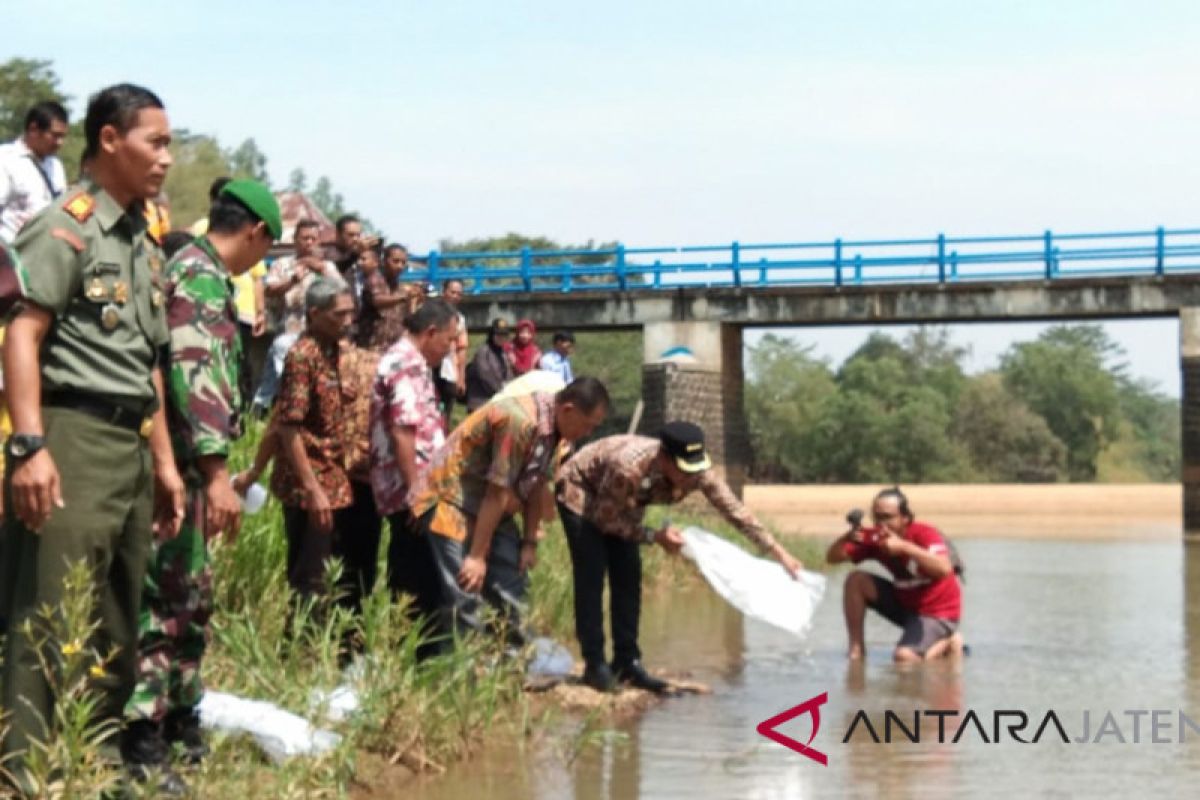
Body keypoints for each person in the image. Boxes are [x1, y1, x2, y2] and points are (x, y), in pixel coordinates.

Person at [0, 83, 186, 788]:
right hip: (71, 434)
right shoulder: (65, 226)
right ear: (110, 140)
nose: (166, 158)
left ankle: (96, 761)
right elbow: (23, 333)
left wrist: (166, 464)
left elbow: (150, 363)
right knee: (49, 608)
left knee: (114, 612)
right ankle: (25, 774)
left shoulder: (144, 238)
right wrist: (30, 447)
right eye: (156, 143)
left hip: (131, 445)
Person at [123, 180, 280, 774]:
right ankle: (142, 733)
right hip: (182, 469)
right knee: (165, 601)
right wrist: (216, 473)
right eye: (268, 247)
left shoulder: (194, 268)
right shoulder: (201, 276)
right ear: (256, 232)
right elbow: (191, 375)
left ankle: (181, 714)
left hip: (192, 465)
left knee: (191, 596)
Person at [556, 422, 803, 693]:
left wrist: (781, 553)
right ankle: (594, 665)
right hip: (582, 492)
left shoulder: (698, 473)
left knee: (628, 575)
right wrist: (654, 537)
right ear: (664, 458)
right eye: (684, 470)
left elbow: (736, 512)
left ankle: (627, 662)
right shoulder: (628, 467)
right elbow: (605, 521)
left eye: (695, 467)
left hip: (625, 503)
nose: (691, 477)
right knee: (591, 575)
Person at [408, 377, 610, 649]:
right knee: (466, 587)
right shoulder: (520, 421)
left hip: (489, 506)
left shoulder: (552, 427)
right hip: (451, 499)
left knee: (512, 582)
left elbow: (536, 483)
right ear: (568, 410)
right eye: (588, 425)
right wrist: (477, 556)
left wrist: (529, 542)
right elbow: (496, 493)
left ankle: (516, 664)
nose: (587, 433)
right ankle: (461, 677)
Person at [368, 299, 458, 625]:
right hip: (411, 491)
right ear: (431, 332)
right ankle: (415, 656)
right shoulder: (405, 363)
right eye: (448, 340)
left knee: (419, 576)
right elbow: (403, 430)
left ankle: (417, 653)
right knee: (416, 578)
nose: (449, 350)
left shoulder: (413, 362)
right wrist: (417, 491)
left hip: (416, 487)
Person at [269, 279, 357, 600]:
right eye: (339, 315)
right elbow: (287, 426)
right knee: (310, 579)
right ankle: (301, 647)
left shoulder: (330, 348)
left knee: (329, 573)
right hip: (311, 483)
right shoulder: (302, 356)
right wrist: (313, 489)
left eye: (350, 313)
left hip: (332, 475)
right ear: (315, 313)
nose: (347, 322)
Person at [825, 487, 964, 663]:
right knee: (856, 580)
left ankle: (948, 641)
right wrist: (846, 538)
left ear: (905, 518)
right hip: (906, 607)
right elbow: (832, 558)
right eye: (876, 517)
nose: (881, 524)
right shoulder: (876, 538)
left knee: (904, 657)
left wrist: (904, 547)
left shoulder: (924, 533)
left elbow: (944, 568)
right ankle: (856, 649)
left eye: (887, 517)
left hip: (938, 613)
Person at [254, 218, 339, 413]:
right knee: (281, 378)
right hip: (288, 333)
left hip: (318, 338)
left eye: (313, 239)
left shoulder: (326, 267)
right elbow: (270, 289)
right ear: (295, 240)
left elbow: (342, 291)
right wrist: (293, 279)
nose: (309, 243)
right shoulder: (283, 264)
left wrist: (321, 270)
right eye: (304, 238)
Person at [0, 101, 69, 242]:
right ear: (33, 130)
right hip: (13, 253)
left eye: (63, 137)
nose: (60, 142)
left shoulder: (55, 165)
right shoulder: (6, 160)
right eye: (55, 136)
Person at [358, 243, 410, 351]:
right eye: (395, 261)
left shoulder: (398, 284)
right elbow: (377, 301)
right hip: (372, 344)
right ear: (384, 261)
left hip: (393, 345)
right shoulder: (374, 279)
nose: (400, 266)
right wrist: (402, 297)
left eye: (403, 262)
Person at [435, 278, 468, 424]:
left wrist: (461, 377)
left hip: (449, 370)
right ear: (444, 292)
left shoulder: (460, 319)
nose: (455, 296)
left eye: (459, 294)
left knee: (445, 413)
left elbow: (462, 348)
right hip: (431, 368)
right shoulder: (432, 313)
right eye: (452, 292)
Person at [465, 318, 514, 411]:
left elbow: (509, 376)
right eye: (498, 334)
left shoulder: (503, 354)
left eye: (504, 335)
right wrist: (501, 392)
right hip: (480, 404)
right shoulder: (483, 352)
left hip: (497, 403)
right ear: (492, 334)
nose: (501, 337)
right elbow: (485, 376)